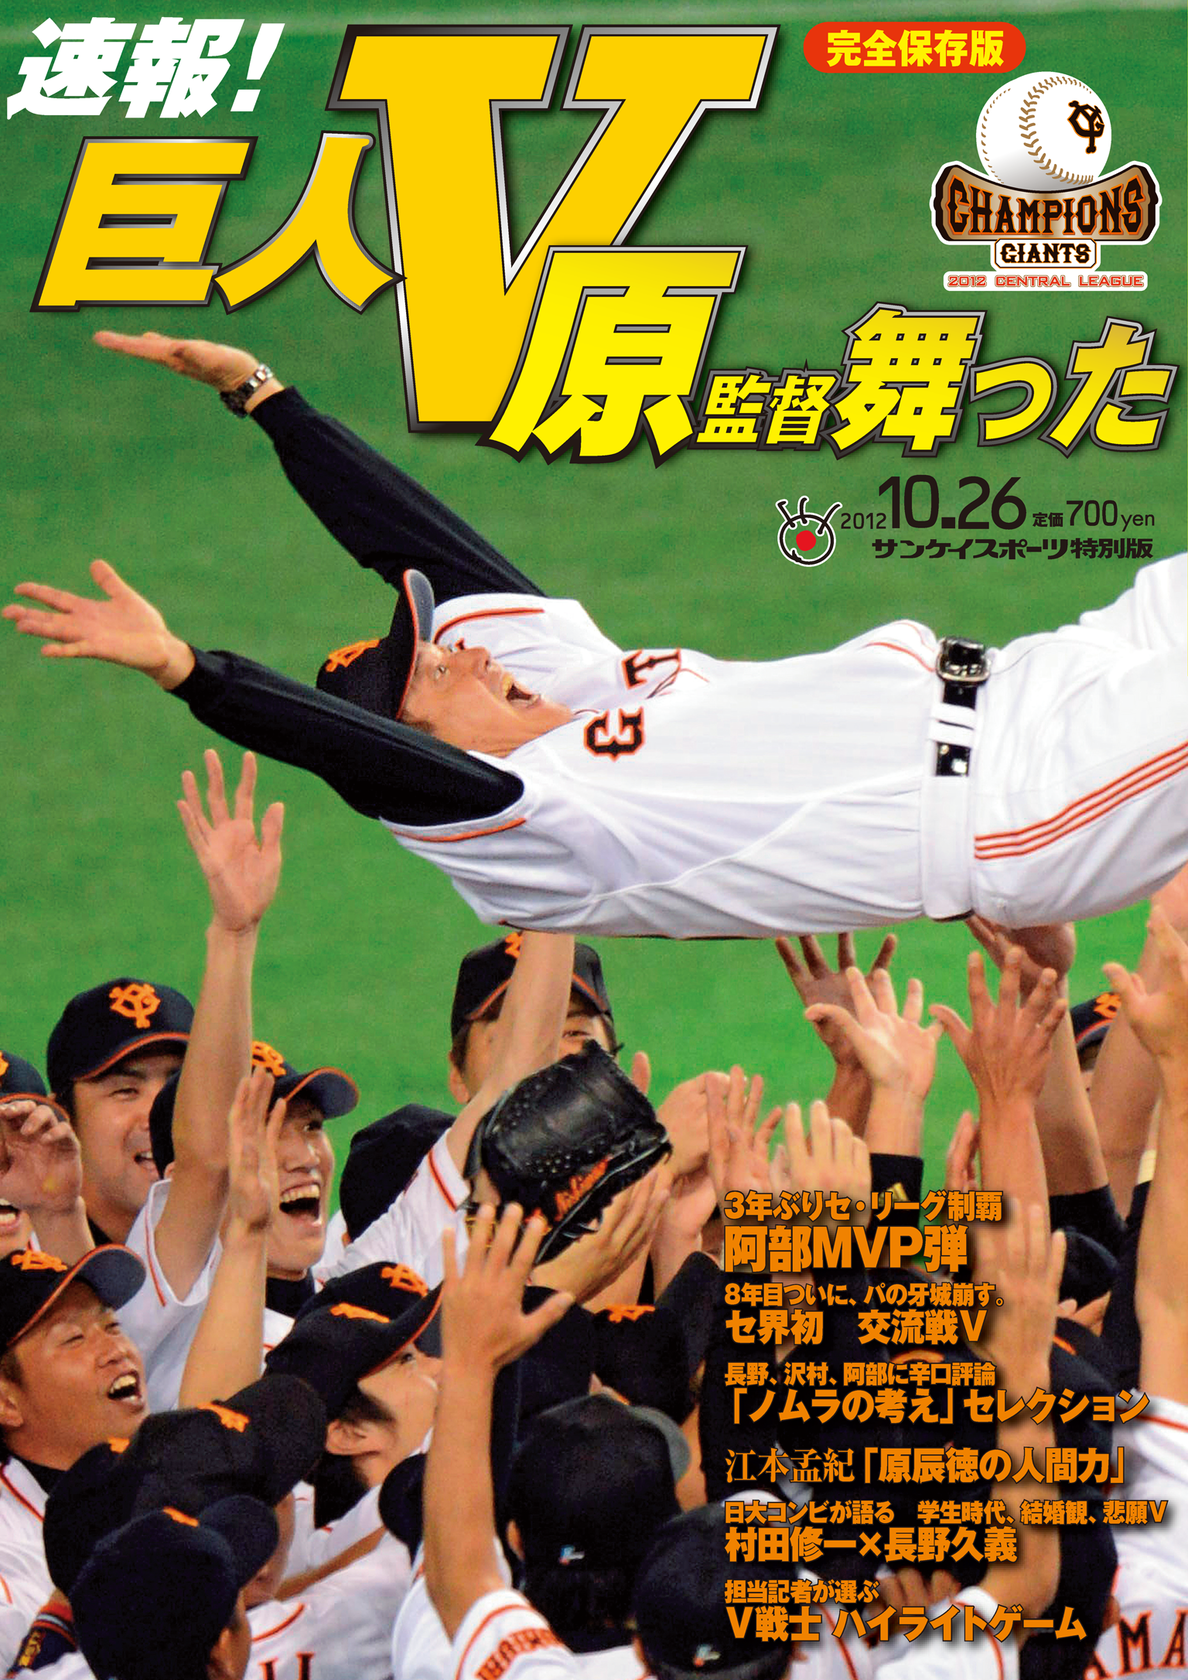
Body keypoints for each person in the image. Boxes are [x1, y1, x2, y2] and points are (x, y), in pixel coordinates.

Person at [6, 332, 1187, 940]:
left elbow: (423, 546)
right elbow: (355, 751)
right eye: (435, 674)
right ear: (425, 756)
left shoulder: (559, 689)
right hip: (1022, 798)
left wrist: (267, 399)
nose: (467, 651)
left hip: (1042, 677)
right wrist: (190, 672)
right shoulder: (544, 828)